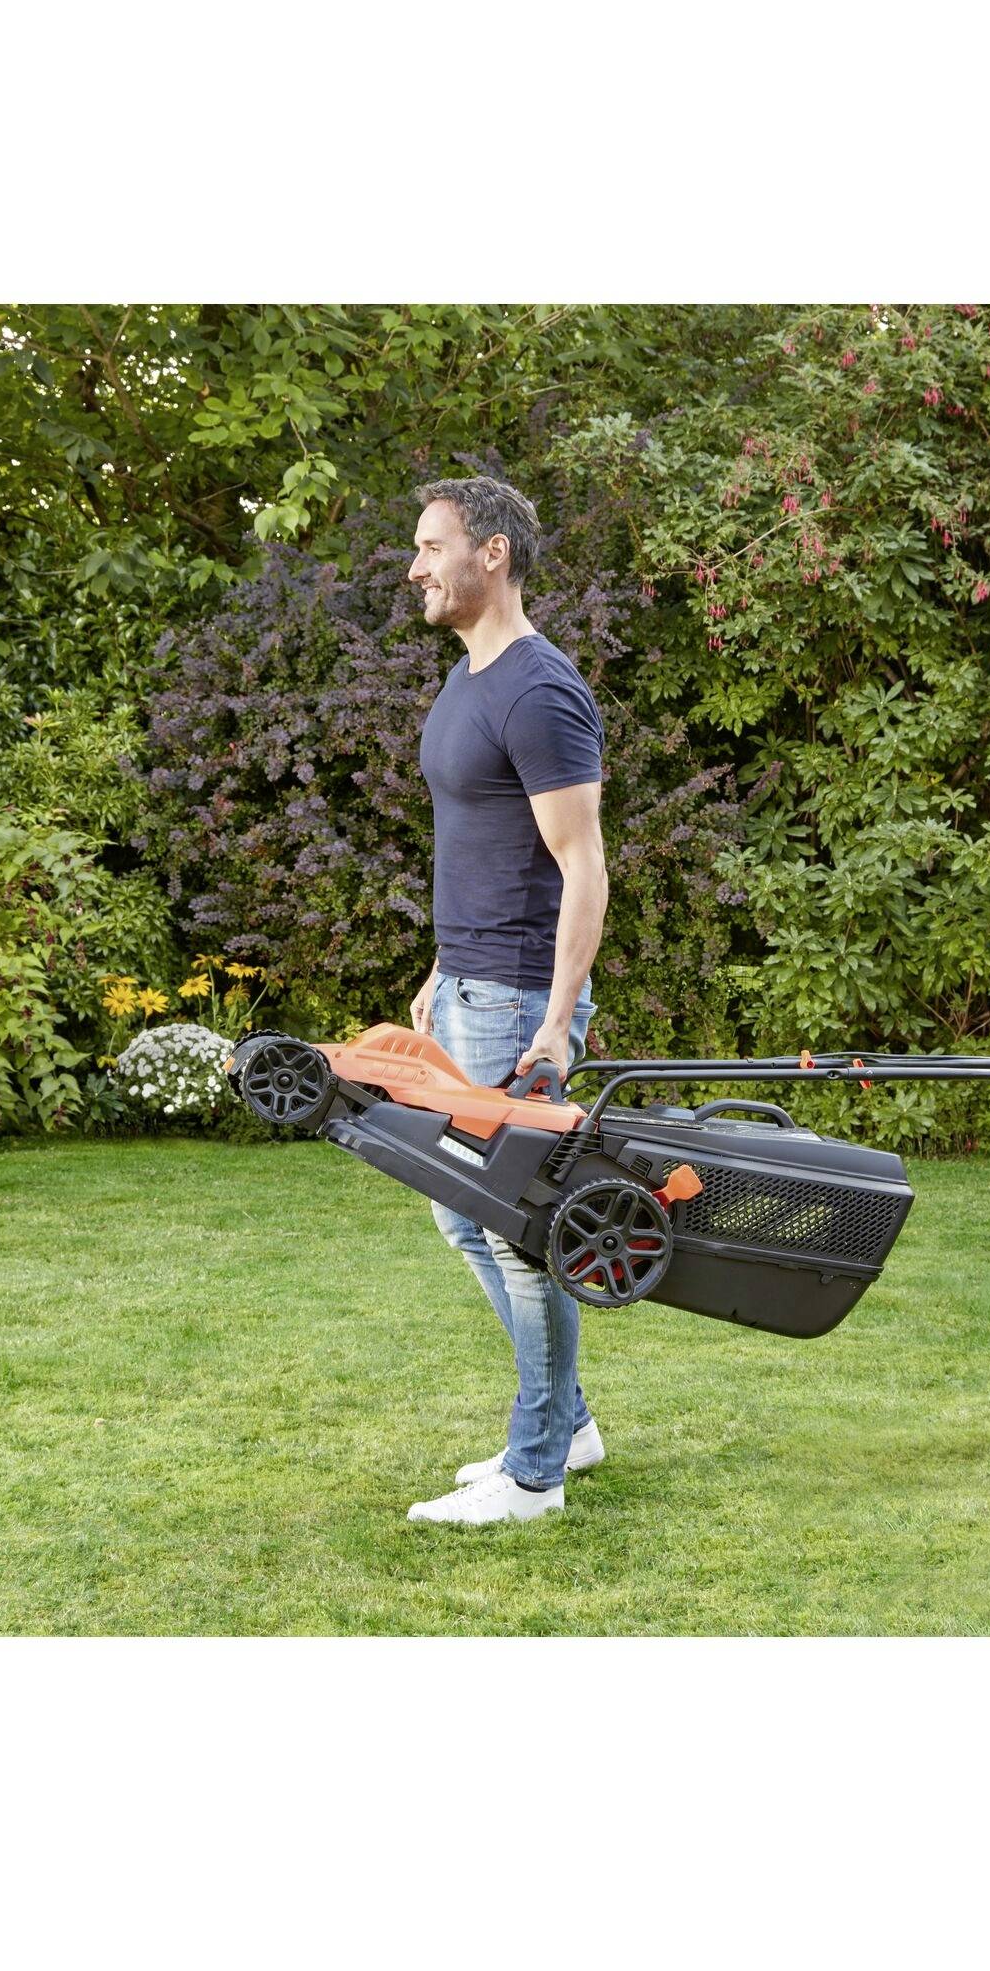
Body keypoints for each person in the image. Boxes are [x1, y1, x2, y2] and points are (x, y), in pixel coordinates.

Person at [401, 475, 611, 1526]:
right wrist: (442, 970)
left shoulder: (538, 689)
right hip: (467, 980)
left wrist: (551, 1023)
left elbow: (582, 866)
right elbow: (478, 842)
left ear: (491, 554)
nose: (414, 566)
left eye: (431, 546)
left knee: (518, 1233)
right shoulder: (467, 680)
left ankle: (538, 1471)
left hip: (521, 989)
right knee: (459, 1215)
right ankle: (563, 1418)